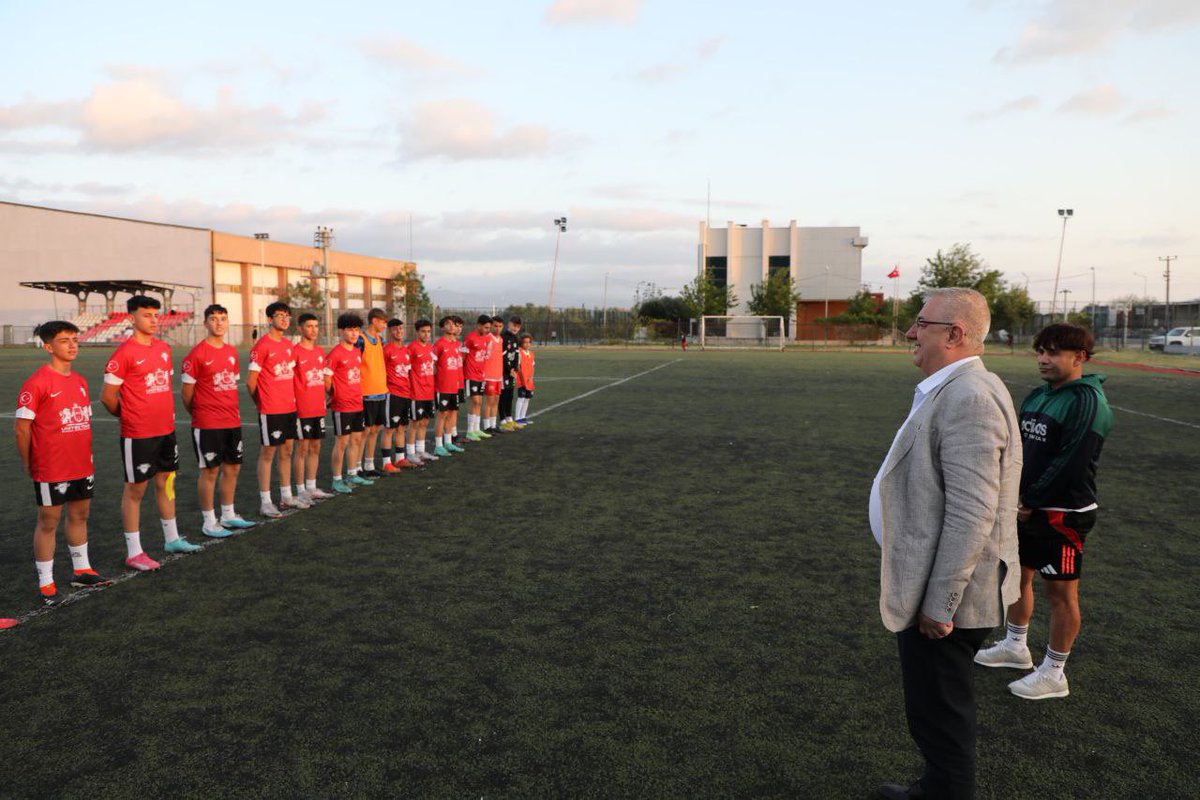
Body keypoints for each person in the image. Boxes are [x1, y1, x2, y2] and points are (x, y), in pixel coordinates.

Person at [869, 288, 1021, 800]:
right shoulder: (956, 386)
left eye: (921, 324)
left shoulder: (970, 396)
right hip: (935, 581)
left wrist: (941, 603)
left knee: (941, 711)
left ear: (954, 334)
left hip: (947, 595)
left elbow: (971, 512)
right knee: (933, 708)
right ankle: (935, 786)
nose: (910, 333)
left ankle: (945, 793)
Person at [974, 323, 1112, 701]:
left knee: (1062, 595)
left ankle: (1054, 672)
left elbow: (1070, 461)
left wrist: (1029, 499)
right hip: (1027, 507)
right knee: (1017, 577)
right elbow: (1018, 449)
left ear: (1079, 357)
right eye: (1040, 352)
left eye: (1052, 353)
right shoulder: (1038, 396)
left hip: (1063, 513)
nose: (1043, 359)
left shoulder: (1087, 400)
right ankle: (1016, 647)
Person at [102, 295, 201, 570]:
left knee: (167, 483)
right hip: (139, 434)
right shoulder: (124, 353)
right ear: (131, 318)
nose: (153, 320)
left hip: (166, 430)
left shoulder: (163, 348)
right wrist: (128, 415)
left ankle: (172, 538)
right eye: (147, 315)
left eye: (156, 315)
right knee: (135, 491)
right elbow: (108, 397)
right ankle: (134, 552)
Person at [16, 321, 111, 604]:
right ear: (48, 347)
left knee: (80, 515)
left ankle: (81, 570)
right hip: (51, 465)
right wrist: (28, 462)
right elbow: (22, 428)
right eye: (64, 340)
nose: (72, 345)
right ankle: (46, 584)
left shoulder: (80, 381)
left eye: (74, 339)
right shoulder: (37, 382)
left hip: (81, 463)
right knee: (49, 521)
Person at [181, 304, 256, 538]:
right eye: (213, 319)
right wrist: (200, 413)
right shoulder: (196, 354)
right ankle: (209, 521)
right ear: (205, 323)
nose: (219, 323)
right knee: (210, 471)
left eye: (223, 319)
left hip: (231, 420)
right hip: (207, 423)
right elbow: (187, 395)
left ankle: (228, 514)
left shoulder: (232, 352)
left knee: (233, 468)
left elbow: (231, 384)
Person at [247, 301, 308, 518]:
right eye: (279, 315)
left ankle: (286, 496)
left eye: (287, 316)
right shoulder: (262, 346)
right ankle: (265, 501)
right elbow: (251, 382)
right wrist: (261, 402)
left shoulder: (288, 347)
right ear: (270, 319)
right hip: (271, 409)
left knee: (287, 451)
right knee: (268, 453)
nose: (284, 319)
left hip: (289, 407)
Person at [326, 313, 373, 493]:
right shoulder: (336, 353)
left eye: (356, 330)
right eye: (350, 330)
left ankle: (352, 473)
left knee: (356, 440)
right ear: (341, 331)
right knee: (342, 443)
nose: (354, 334)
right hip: (342, 405)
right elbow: (326, 378)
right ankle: (337, 480)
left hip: (357, 403)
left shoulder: (356, 351)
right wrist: (334, 394)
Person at [292, 313, 336, 503]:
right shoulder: (294, 352)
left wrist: (331, 394)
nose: (313, 330)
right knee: (302, 449)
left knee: (316, 447)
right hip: (301, 409)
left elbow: (325, 380)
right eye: (309, 326)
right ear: (300, 328)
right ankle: (300, 489)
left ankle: (311, 487)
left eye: (316, 326)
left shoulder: (319, 352)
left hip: (318, 408)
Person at [381, 318, 418, 472]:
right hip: (393, 394)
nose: (399, 332)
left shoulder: (406, 350)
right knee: (389, 428)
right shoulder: (386, 350)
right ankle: (386, 462)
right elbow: (381, 372)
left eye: (401, 329)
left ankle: (400, 459)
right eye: (395, 329)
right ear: (390, 331)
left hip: (405, 393)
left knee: (402, 427)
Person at [357, 308, 389, 478]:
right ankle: (357, 467)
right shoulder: (360, 341)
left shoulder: (380, 340)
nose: (385, 325)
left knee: (375, 430)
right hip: (366, 393)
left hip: (380, 392)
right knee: (365, 431)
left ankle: (369, 464)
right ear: (375, 321)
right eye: (383, 321)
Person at [432, 315, 466, 457]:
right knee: (442, 415)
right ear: (442, 327)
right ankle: (438, 445)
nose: (452, 326)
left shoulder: (457, 344)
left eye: (453, 324)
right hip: (443, 386)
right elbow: (432, 364)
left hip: (455, 386)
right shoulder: (439, 344)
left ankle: (448, 442)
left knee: (452, 413)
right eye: (448, 324)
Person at [405, 319, 437, 463]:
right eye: (423, 331)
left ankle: (421, 450)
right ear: (417, 332)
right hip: (416, 392)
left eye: (428, 331)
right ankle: (410, 453)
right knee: (414, 423)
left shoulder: (430, 347)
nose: (426, 334)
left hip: (429, 391)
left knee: (424, 422)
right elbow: (405, 370)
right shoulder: (411, 348)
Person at [462, 314, 492, 441]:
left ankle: (476, 429)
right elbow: (463, 357)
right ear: (478, 325)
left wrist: (484, 374)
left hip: (480, 376)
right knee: (475, 401)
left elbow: (483, 359)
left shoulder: (486, 339)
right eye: (485, 327)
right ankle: (470, 431)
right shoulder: (470, 338)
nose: (487, 330)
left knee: (479, 403)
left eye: (489, 328)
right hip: (470, 375)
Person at [482, 315, 505, 434]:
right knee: (489, 401)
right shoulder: (487, 338)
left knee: (496, 400)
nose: (497, 328)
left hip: (498, 375)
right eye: (495, 326)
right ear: (491, 326)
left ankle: (493, 424)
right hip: (489, 375)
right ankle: (486, 426)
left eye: (500, 326)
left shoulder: (501, 340)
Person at [498, 316, 522, 431]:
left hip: (512, 372)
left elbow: (516, 354)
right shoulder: (503, 337)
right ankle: (502, 420)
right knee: (503, 396)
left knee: (510, 395)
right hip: (503, 372)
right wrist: (509, 370)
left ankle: (509, 418)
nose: (515, 328)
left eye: (518, 326)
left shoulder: (516, 338)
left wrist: (515, 369)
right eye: (514, 325)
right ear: (509, 324)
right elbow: (502, 357)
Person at [514, 332, 536, 427]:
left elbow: (532, 366)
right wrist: (522, 378)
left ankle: (523, 417)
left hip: (529, 381)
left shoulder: (531, 354)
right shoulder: (519, 352)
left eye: (529, 342)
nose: (527, 344)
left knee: (527, 399)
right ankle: (517, 418)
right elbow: (518, 367)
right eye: (525, 342)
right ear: (521, 343)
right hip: (522, 380)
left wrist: (531, 377)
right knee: (521, 398)